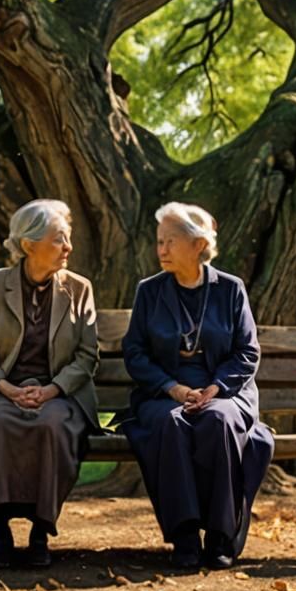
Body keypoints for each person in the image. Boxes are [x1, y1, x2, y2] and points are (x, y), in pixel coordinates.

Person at [118, 202, 274, 570]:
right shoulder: (149, 291)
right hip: (164, 393)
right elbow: (135, 352)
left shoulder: (230, 289)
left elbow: (247, 351)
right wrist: (172, 388)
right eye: (159, 241)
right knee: (171, 423)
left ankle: (220, 536)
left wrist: (216, 388)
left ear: (199, 244)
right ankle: (185, 536)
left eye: (170, 241)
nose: (162, 250)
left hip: (224, 392)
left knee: (219, 421)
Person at [0, 199, 99, 569]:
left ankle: (39, 533)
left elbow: (86, 356)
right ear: (29, 245)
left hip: (59, 394)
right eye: (59, 239)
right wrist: (7, 388)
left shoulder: (79, 289)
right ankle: (1, 533)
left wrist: (51, 390)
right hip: (3, 392)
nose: (69, 247)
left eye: (68, 238)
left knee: (51, 426)